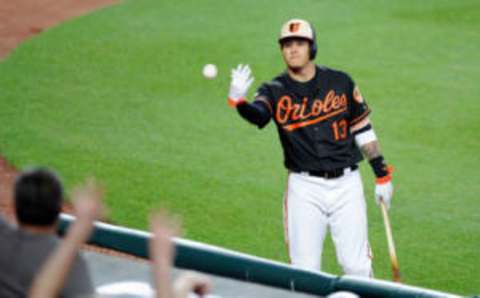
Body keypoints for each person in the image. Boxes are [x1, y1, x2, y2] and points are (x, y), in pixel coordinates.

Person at [227, 18, 394, 277]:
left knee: (356, 266)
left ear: (312, 47)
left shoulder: (340, 82)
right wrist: (239, 101)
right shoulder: (273, 90)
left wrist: (381, 174)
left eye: (299, 43)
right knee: (305, 271)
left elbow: (362, 129)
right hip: (305, 190)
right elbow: (259, 115)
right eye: (287, 44)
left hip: (347, 186)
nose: (293, 49)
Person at [0, 168, 94, 297]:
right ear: (60, 209)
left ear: (13, 206)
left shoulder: (3, 237)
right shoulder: (70, 264)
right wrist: (77, 234)